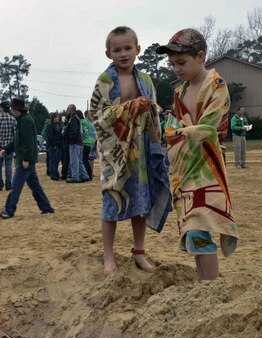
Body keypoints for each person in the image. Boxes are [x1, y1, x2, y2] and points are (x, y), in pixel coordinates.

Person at [157, 28, 239, 281]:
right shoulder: (179, 93)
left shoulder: (216, 85)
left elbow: (209, 127)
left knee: (200, 227)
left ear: (200, 56)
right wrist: (178, 132)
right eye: (172, 64)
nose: (176, 69)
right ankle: (206, 283)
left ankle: (211, 285)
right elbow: (170, 129)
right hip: (184, 171)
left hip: (207, 169)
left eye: (181, 62)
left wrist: (180, 132)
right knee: (193, 232)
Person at [90, 26, 172, 274]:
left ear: (138, 49)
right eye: (117, 49)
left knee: (141, 200)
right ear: (108, 53)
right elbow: (98, 115)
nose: (123, 53)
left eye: (128, 48)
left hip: (143, 149)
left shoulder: (145, 80)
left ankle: (139, 252)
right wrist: (130, 108)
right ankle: (108, 256)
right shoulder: (105, 81)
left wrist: (157, 139)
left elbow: (154, 111)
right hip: (115, 151)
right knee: (112, 200)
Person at [0, 98, 54, 219]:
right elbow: (18, 141)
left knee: (16, 186)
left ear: (16, 109)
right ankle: (46, 207)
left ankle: (9, 210)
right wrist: (6, 149)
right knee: (35, 186)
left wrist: (26, 159)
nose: (10, 110)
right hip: (26, 159)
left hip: (25, 160)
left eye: (12, 108)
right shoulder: (22, 120)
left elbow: (28, 142)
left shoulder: (25, 122)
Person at [0, 101, 17, 191]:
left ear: (2, 108)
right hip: (9, 146)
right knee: (8, 166)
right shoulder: (12, 119)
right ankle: (9, 185)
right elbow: (16, 133)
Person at [64, 104, 89, 183]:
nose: (66, 111)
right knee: (79, 160)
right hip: (79, 143)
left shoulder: (74, 119)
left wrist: (70, 140)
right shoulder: (76, 118)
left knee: (74, 161)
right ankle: (85, 176)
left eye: (67, 109)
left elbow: (73, 131)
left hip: (75, 143)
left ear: (71, 110)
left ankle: (75, 177)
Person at [45, 112, 63, 181]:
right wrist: (54, 144)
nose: (57, 118)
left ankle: (56, 174)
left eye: (58, 117)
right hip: (53, 146)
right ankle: (53, 175)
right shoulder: (50, 126)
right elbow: (50, 137)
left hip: (58, 145)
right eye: (56, 117)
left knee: (57, 161)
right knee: (53, 160)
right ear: (53, 118)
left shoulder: (57, 125)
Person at [82, 110, 97, 179]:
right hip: (89, 142)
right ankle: (89, 172)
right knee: (89, 158)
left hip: (93, 141)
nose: (91, 115)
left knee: (92, 158)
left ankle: (91, 172)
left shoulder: (91, 122)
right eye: (90, 114)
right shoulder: (86, 122)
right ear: (86, 115)